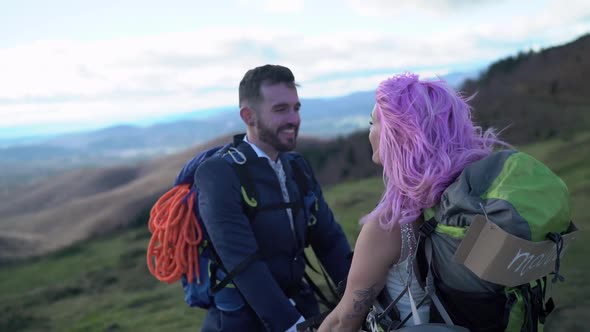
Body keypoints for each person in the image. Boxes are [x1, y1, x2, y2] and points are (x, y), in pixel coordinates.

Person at [318, 73, 502, 331]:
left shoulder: (393, 223)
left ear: (396, 135)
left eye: (373, 123)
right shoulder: (470, 196)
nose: (370, 131)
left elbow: (343, 321)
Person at [195, 64, 352, 332]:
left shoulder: (297, 167)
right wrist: (292, 326)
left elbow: (329, 241)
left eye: (296, 108)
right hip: (242, 319)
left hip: (300, 304)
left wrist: (363, 297)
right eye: (281, 109)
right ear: (248, 116)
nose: (293, 118)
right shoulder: (219, 174)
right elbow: (242, 262)